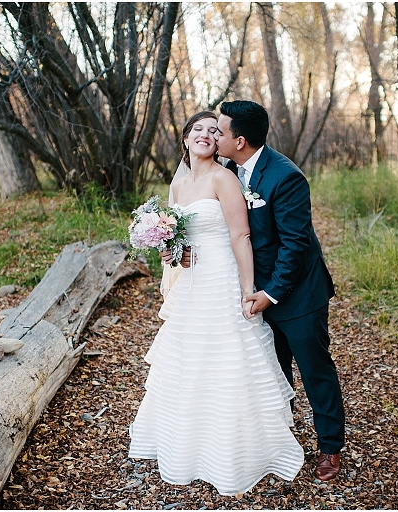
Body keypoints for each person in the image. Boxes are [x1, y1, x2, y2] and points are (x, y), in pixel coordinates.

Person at [128, 111, 304, 496]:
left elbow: (241, 236)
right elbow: (173, 244)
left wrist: (246, 292)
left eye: (214, 130)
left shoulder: (223, 178)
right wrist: (172, 253)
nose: (206, 134)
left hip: (221, 279)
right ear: (186, 139)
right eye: (198, 129)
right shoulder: (178, 186)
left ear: (221, 140)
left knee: (228, 360)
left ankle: (236, 450)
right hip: (191, 284)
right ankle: (189, 444)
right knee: (190, 361)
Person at [215, 100, 345, 481]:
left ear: (240, 140)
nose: (215, 136)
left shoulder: (286, 177)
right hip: (255, 290)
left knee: (314, 369)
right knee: (272, 370)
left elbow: (295, 244)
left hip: (298, 294)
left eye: (220, 131)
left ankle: (330, 447)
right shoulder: (227, 171)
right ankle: (280, 437)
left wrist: (270, 294)